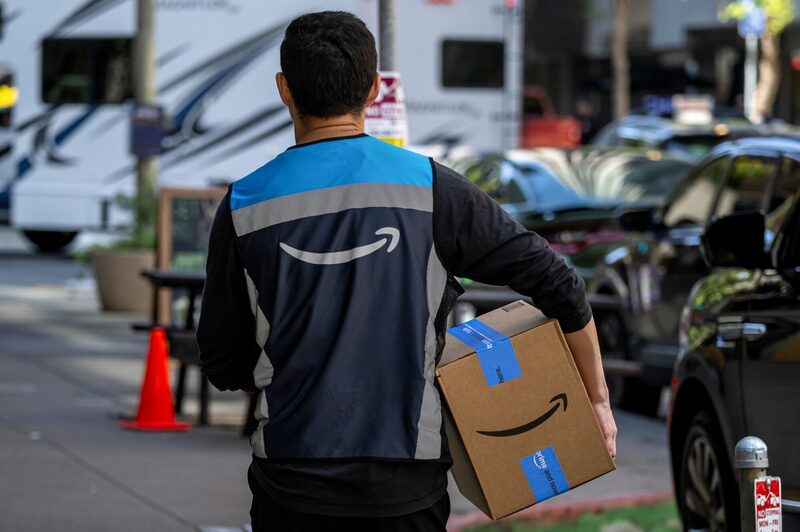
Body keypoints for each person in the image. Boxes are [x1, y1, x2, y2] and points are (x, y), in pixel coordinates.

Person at [196, 11, 617, 532]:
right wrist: (596, 401)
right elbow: (561, 285)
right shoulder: (431, 190)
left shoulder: (244, 206)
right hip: (406, 485)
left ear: (285, 90)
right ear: (373, 89)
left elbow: (220, 361)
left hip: (291, 480)